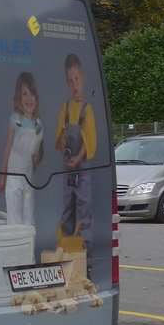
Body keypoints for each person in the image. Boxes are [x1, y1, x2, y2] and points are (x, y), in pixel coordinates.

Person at [55, 54, 96, 254]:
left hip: (83, 168)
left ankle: (84, 252)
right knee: (67, 210)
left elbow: (88, 141)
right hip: (67, 169)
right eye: (70, 81)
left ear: (84, 78)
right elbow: (60, 136)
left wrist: (77, 159)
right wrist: (66, 151)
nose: (74, 85)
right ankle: (66, 249)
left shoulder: (87, 110)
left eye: (76, 79)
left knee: (84, 210)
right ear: (67, 83)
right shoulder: (64, 108)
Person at [0, 71, 43, 228]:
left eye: (32, 94)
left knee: (28, 217)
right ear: (19, 97)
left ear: (36, 98)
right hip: (14, 177)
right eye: (24, 94)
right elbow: (8, 147)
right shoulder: (15, 120)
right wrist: (3, 177)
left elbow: (39, 151)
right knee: (14, 217)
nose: (29, 99)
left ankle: (27, 250)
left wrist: (38, 158)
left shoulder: (39, 124)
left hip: (29, 179)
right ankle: (15, 249)